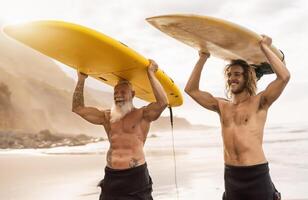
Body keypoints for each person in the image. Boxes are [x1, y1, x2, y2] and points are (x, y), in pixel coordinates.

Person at [184, 35, 290, 200]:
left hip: (256, 175)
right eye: (230, 75)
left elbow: (284, 77)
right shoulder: (221, 106)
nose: (232, 78)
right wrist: (203, 58)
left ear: (247, 77)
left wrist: (265, 48)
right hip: (232, 176)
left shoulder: (260, 102)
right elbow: (191, 90)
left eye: (237, 74)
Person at [72, 59, 168, 200]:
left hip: (136, 177)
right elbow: (78, 108)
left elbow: (163, 103)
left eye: (123, 92)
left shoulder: (143, 115)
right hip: (112, 177)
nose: (118, 95)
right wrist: (81, 79)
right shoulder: (107, 117)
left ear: (133, 94)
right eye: (115, 92)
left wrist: (151, 73)